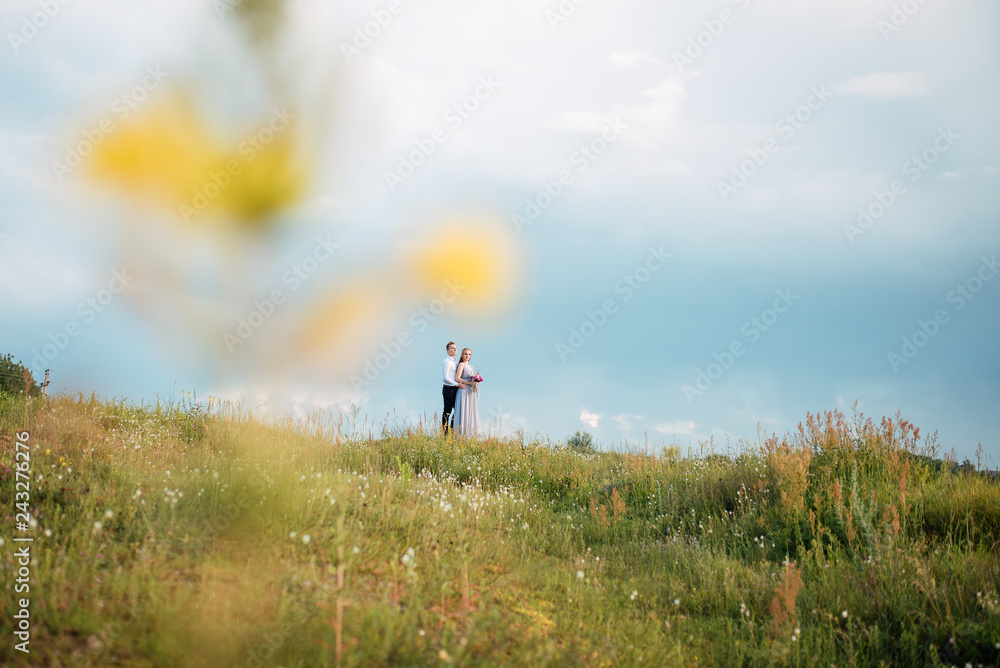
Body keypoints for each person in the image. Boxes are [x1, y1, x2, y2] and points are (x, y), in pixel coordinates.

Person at [453, 347, 479, 437]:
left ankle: (469, 433)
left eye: (469, 354)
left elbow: (472, 379)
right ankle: (461, 434)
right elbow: (457, 378)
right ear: (462, 355)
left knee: (470, 410)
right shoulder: (461, 365)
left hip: (470, 392)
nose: (467, 356)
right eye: (465, 354)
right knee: (463, 410)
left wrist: (476, 382)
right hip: (463, 390)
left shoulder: (471, 367)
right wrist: (469, 383)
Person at [441, 341, 459, 435]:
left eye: (455, 348)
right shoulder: (447, 362)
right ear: (447, 350)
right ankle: (445, 432)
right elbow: (445, 378)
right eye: (452, 348)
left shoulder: (455, 361)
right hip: (449, 389)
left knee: (458, 410)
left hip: (455, 389)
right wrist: (457, 384)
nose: (455, 349)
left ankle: (452, 430)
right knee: (447, 411)